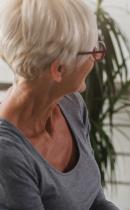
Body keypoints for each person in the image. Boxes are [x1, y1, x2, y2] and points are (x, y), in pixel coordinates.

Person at [0, 0, 119, 209]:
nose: (96, 57)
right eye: (91, 51)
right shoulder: (7, 153)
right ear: (59, 69)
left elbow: (95, 202)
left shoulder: (71, 105)